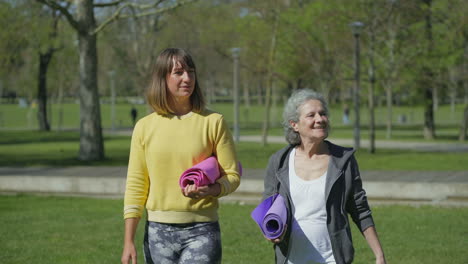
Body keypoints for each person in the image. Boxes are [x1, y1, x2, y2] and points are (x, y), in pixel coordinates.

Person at [121, 48, 241, 264]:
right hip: (157, 233)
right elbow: (136, 185)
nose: (187, 78)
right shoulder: (144, 127)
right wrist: (128, 240)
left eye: (191, 71)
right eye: (178, 72)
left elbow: (232, 175)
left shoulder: (213, 122)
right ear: (162, 78)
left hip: (202, 231)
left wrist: (212, 189)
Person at [262, 89, 386, 264]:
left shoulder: (343, 161)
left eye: (323, 113)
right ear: (294, 124)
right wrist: (270, 232)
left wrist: (379, 255)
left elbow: (360, 209)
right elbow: (267, 210)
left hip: (333, 259)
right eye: (311, 115)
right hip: (290, 259)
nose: (320, 119)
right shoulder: (278, 162)